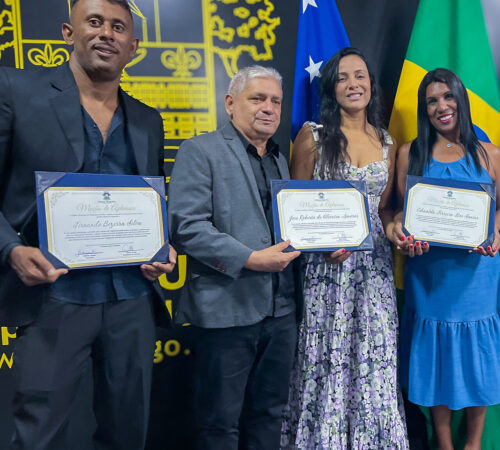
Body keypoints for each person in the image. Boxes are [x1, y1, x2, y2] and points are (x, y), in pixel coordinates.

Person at [0, 0, 176, 448]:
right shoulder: (15, 90)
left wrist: (163, 248)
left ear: (133, 47)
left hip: (132, 298)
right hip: (52, 296)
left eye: (119, 27)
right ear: (67, 32)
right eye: (94, 22)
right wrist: (11, 249)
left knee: (127, 431)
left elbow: (149, 207)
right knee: (38, 432)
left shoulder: (148, 120)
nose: (107, 34)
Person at [168, 65, 301, 449]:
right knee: (219, 423)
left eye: (275, 101)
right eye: (257, 98)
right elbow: (187, 226)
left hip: (281, 311)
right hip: (227, 310)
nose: (268, 108)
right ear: (230, 103)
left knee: (270, 414)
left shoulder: (280, 158)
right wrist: (250, 259)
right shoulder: (200, 150)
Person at [280, 47, 408, 449]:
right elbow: (294, 209)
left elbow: (385, 208)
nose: (353, 84)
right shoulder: (312, 136)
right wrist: (321, 247)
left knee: (376, 362)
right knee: (328, 359)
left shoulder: (386, 141)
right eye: (342, 78)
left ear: (372, 83)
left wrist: (395, 230)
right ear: (331, 88)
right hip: (328, 273)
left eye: (360, 76)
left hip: (375, 273)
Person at [394, 67, 500, 450]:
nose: (441, 106)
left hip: (478, 277)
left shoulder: (488, 153)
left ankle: (474, 444)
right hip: (430, 275)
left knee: (477, 360)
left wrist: (494, 232)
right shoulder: (408, 154)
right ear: (424, 108)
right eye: (432, 100)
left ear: (461, 100)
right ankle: (445, 443)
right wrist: (402, 232)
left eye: (448, 96)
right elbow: (402, 214)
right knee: (436, 360)